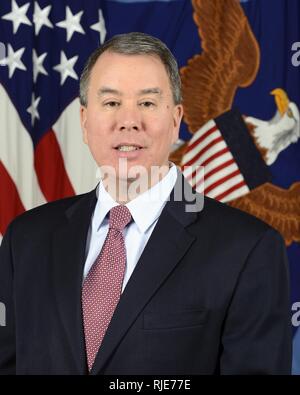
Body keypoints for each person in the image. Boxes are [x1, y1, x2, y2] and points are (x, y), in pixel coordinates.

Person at [0, 32, 291, 375]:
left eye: (148, 103)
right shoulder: (25, 239)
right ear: (83, 120)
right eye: (110, 103)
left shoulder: (248, 249)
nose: (128, 120)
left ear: (176, 118)